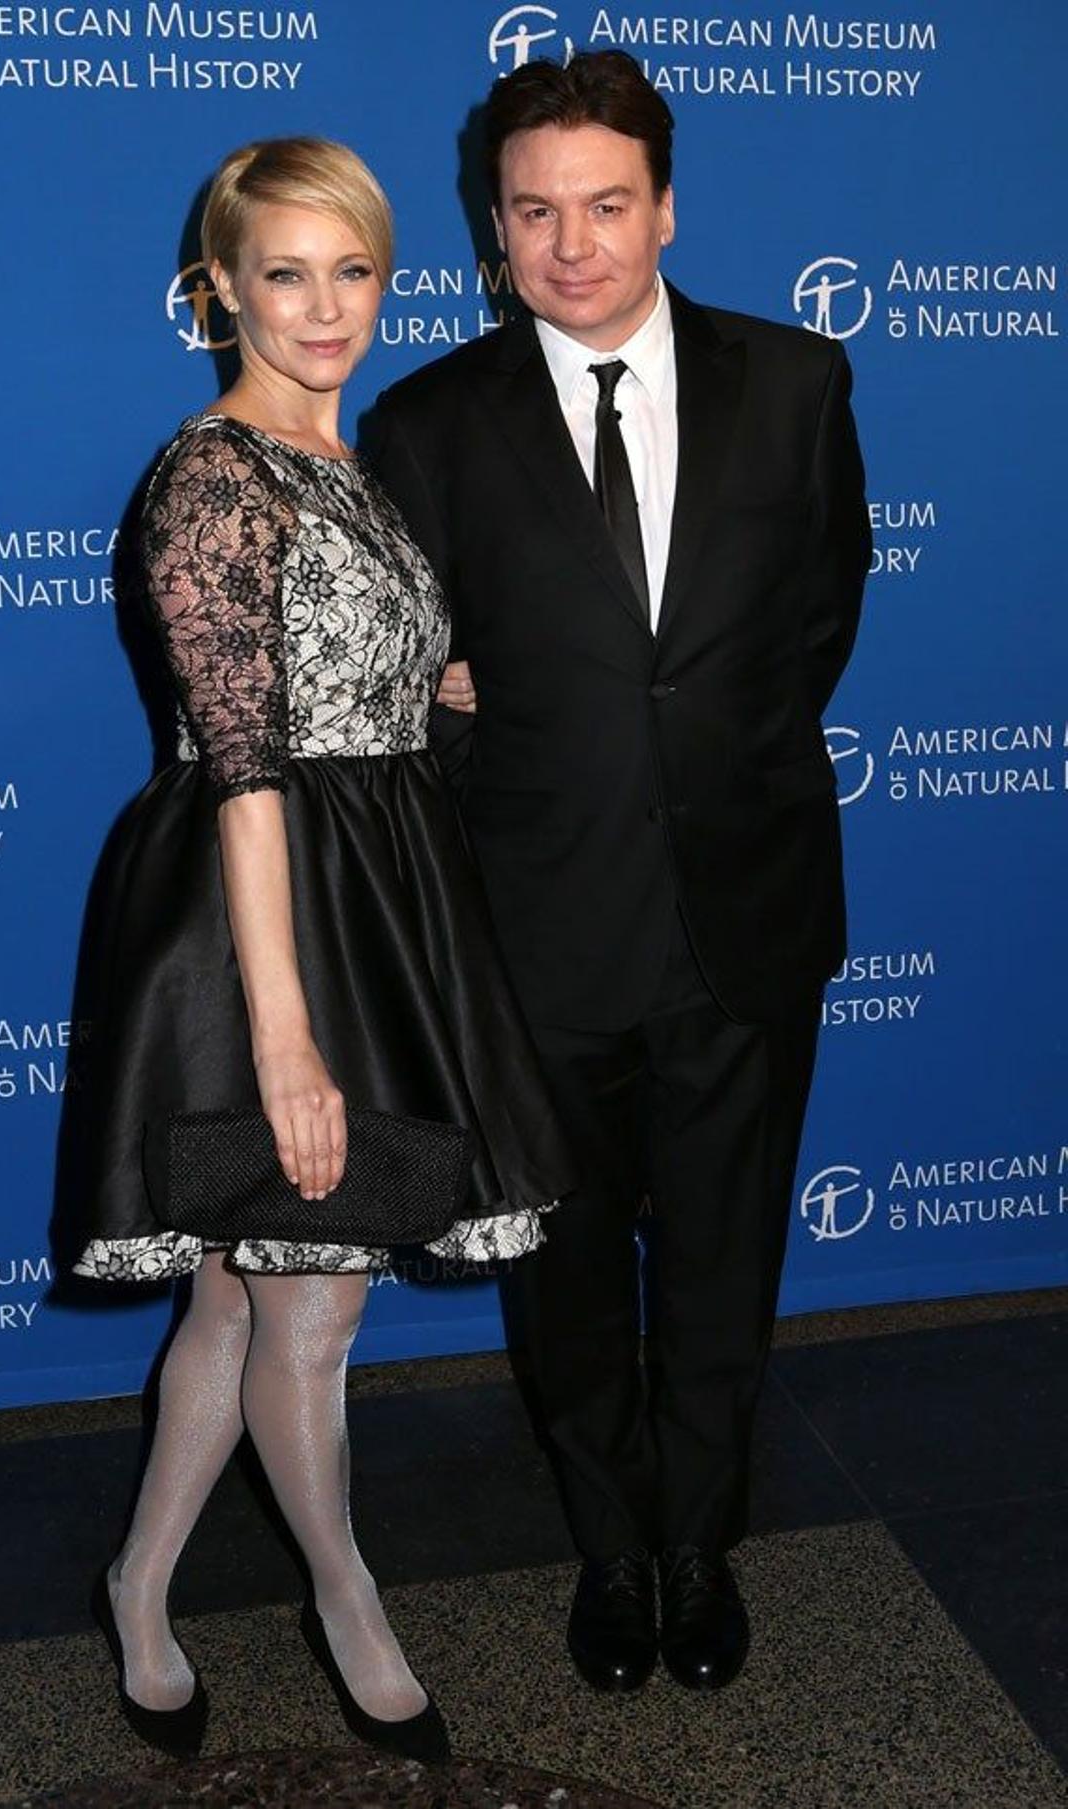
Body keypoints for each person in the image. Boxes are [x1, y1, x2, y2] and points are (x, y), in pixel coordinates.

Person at [367, 51, 870, 1696]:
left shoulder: (796, 383)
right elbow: (407, 690)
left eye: (604, 204)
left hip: (747, 910)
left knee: (729, 1256)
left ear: (665, 206)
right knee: (569, 1279)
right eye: (534, 211)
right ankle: (606, 1548)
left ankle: (698, 1546)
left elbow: (815, 626)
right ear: (492, 227)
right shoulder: (428, 422)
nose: (571, 243)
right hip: (539, 929)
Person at [69, 136, 572, 1763]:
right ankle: (347, 1597)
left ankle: (139, 1583)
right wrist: (286, 1041)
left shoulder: (338, 455)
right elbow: (245, 761)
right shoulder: (214, 476)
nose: (326, 304)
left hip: (374, 882)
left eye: (352, 267)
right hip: (262, 913)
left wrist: (432, 684)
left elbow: (333, 670)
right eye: (286, 272)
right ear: (219, 286)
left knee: (237, 1292)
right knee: (311, 1308)